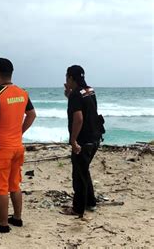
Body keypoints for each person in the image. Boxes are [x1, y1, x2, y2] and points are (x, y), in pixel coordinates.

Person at [0, 58, 36, 233]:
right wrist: (20, 132)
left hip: (1, 148)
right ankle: (18, 218)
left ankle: (3, 224)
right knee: (15, 184)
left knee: (1, 187)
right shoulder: (22, 93)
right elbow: (32, 115)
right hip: (17, 147)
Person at [63, 65, 103, 217]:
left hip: (83, 140)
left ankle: (77, 209)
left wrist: (73, 140)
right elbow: (86, 108)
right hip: (95, 137)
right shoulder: (89, 91)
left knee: (78, 175)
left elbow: (78, 118)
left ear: (71, 78)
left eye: (67, 77)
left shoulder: (75, 95)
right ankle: (90, 202)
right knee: (83, 170)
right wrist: (69, 95)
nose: (66, 80)